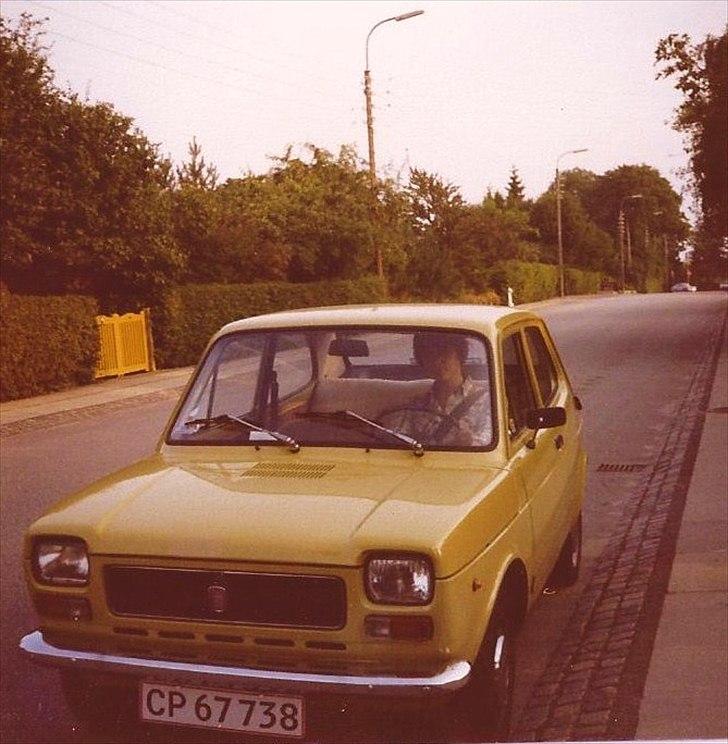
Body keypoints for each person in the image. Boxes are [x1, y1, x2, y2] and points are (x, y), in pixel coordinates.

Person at [379, 332, 492, 446]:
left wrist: (469, 441)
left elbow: (490, 444)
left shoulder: (489, 401)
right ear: (422, 361)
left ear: (459, 355)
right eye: (429, 355)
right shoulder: (416, 405)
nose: (437, 361)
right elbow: (396, 441)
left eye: (444, 353)